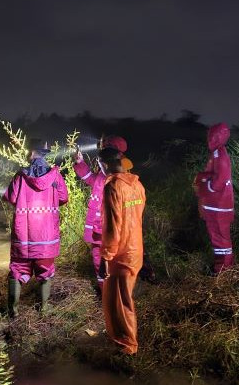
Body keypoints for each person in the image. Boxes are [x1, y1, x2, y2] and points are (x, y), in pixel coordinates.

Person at [3, 138, 68, 317]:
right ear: (44, 154)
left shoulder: (20, 176)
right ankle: (44, 308)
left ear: (32, 153)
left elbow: (10, 198)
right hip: (47, 237)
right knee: (45, 271)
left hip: (23, 236)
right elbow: (64, 198)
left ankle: (13, 312)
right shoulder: (55, 176)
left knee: (17, 270)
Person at [98, 146, 146, 355]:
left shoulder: (113, 187)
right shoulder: (137, 184)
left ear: (104, 164)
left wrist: (105, 257)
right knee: (119, 300)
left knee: (120, 302)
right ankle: (120, 339)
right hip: (135, 250)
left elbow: (112, 227)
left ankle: (128, 346)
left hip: (120, 254)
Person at [72, 135, 128, 294]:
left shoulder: (118, 175)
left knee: (111, 260)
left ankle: (113, 292)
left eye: (104, 147)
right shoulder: (105, 172)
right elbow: (90, 179)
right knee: (99, 259)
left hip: (109, 227)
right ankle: (106, 291)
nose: (100, 148)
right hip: (98, 228)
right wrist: (79, 163)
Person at [194, 122, 235, 274]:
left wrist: (206, 186)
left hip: (218, 206)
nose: (208, 138)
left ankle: (222, 270)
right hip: (219, 206)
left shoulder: (219, 154)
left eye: (211, 135)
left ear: (216, 136)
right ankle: (225, 267)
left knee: (220, 239)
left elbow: (220, 179)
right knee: (220, 239)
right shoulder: (218, 153)